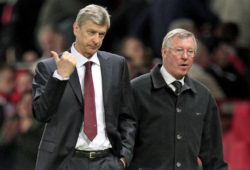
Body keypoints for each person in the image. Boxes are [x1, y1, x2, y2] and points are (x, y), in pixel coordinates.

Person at [32, 4, 136, 170]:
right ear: (76, 28)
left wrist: (124, 156)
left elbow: (127, 116)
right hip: (65, 162)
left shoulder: (117, 65)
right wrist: (60, 77)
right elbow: (41, 114)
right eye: (91, 32)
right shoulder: (50, 67)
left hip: (107, 162)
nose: (96, 40)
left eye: (101, 34)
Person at [129, 28, 228, 170]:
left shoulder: (203, 96)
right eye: (179, 50)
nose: (185, 57)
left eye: (190, 51)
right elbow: (121, 148)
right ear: (164, 52)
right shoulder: (136, 90)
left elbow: (214, 158)